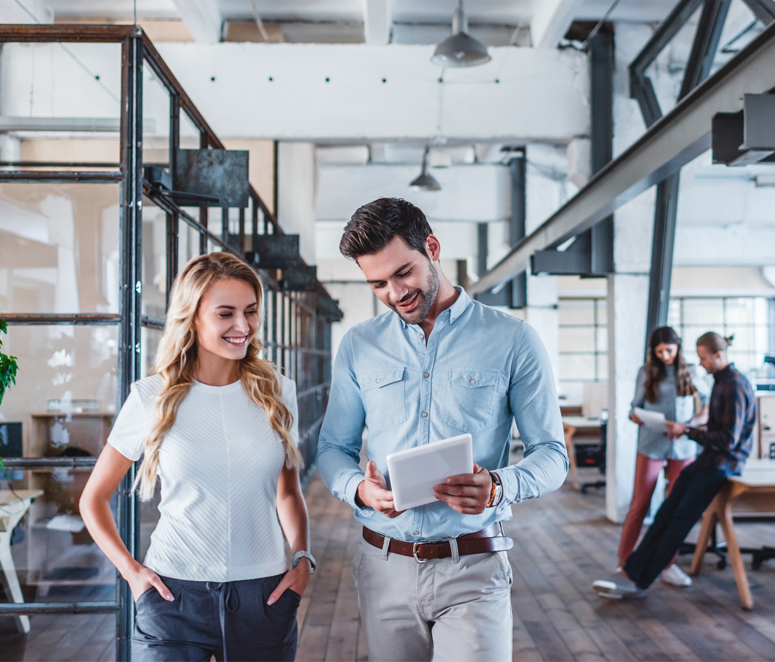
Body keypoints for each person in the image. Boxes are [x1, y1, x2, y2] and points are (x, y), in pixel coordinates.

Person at [318, 198, 569, 661]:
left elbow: (552, 454)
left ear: (432, 247)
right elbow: (333, 447)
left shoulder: (513, 339)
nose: (395, 293)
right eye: (378, 284)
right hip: (383, 566)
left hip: (473, 564)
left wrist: (498, 485)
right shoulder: (359, 345)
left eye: (403, 273)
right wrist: (359, 489)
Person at [80, 252, 314, 662]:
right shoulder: (152, 396)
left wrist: (302, 560)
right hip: (173, 599)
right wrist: (133, 574)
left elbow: (288, 494)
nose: (243, 326)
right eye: (226, 314)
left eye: (251, 312)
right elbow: (93, 498)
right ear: (192, 318)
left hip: (265, 596)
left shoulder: (278, 390)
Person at [593, 331, 756, 599]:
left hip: (721, 464)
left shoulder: (734, 385)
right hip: (705, 459)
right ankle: (629, 571)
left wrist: (687, 430)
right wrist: (690, 429)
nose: (701, 364)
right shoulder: (721, 381)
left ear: (718, 355)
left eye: (704, 358)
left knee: (678, 519)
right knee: (666, 512)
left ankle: (638, 578)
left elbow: (728, 440)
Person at [619, 326, 709, 588]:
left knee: (675, 508)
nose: (665, 356)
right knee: (640, 504)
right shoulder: (646, 372)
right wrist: (637, 416)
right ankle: (625, 563)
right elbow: (634, 408)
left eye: (669, 350)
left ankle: (669, 564)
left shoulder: (692, 371)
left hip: (683, 446)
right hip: (652, 443)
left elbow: (706, 405)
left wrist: (692, 424)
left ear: (678, 347)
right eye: (659, 352)